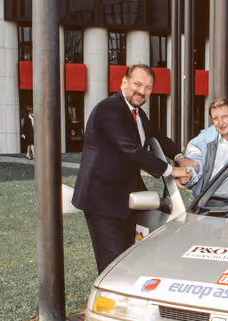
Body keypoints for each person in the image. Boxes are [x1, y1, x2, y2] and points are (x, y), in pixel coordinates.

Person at [72, 64, 193, 273]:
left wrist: (180, 157)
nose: (142, 91)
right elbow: (131, 149)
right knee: (113, 265)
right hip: (102, 200)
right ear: (124, 82)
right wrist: (171, 171)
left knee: (127, 258)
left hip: (126, 198)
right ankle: (108, 303)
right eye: (138, 84)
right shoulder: (109, 109)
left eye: (148, 87)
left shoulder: (137, 113)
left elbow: (159, 136)